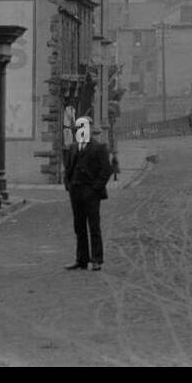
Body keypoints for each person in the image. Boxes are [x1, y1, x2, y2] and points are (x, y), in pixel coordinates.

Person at [64, 116, 113, 271]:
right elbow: (68, 169)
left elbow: (106, 170)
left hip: (91, 192)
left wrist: (95, 188)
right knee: (79, 227)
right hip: (76, 191)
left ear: (91, 129)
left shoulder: (99, 148)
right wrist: (69, 185)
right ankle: (81, 259)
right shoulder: (73, 148)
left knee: (94, 227)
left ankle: (97, 259)